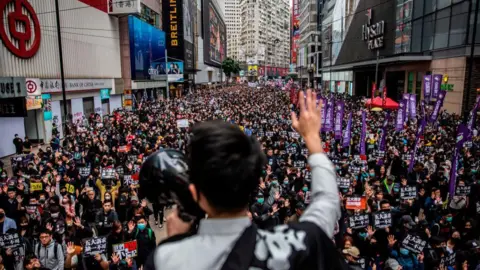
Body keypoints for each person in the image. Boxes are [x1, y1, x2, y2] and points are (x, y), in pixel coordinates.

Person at [145, 90, 340, 269]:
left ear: (195, 193)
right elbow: (326, 203)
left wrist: (176, 242)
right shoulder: (295, 247)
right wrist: (312, 138)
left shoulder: (165, 260)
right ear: (254, 183)